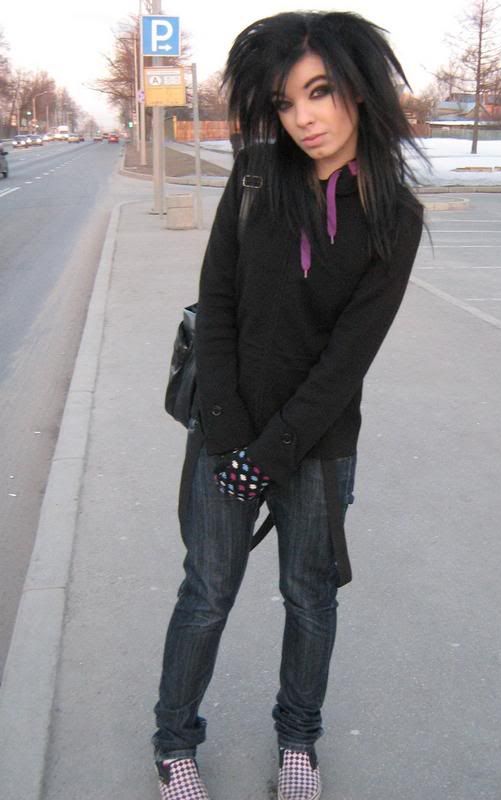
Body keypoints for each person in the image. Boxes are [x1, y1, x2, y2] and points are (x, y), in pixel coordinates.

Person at [153, 11, 424, 800]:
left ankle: (298, 742)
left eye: (320, 91)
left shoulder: (394, 216)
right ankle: (174, 743)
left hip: (317, 445)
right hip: (224, 432)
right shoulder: (255, 175)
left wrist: (269, 454)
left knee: (310, 599)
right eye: (284, 101)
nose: (303, 117)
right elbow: (217, 302)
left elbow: (346, 362)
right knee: (207, 593)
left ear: (359, 91)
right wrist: (228, 438)